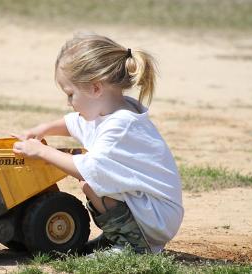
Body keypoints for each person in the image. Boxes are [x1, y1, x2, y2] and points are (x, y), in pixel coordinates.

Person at [12, 33, 183, 254]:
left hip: (157, 216)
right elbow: (73, 123)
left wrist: (43, 151)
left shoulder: (120, 126)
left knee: (90, 181)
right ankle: (117, 237)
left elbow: (87, 167)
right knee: (91, 184)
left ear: (95, 88)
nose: (68, 102)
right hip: (151, 211)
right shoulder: (111, 112)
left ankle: (132, 245)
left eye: (70, 94)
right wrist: (41, 129)